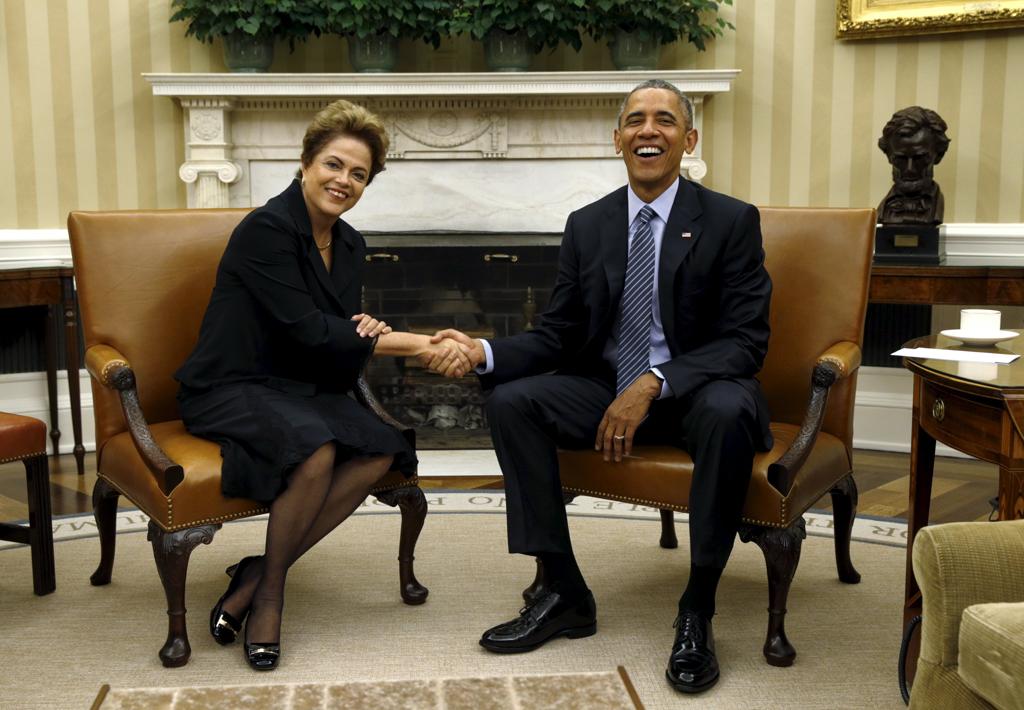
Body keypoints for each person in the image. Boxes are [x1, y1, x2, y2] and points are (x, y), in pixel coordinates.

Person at [431, 79, 773, 694]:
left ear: (688, 139)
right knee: (514, 401)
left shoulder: (729, 221)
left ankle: (697, 607)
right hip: (607, 389)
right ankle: (563, 590)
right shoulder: (588, 225)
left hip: (700, 390)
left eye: (664, 120)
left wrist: (654, 381)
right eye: (635, 120)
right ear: (617, 140)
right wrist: (482, 350)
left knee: (726, 409)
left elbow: (744, 342)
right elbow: (558, 333)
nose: (649, 130)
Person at [175, 99, 470, 671]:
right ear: (306, 162)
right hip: (230, 384)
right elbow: (309, 331)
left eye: (359, 174)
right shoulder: (266, 230)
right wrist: (415, 342)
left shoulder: (350, 243)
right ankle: (269, 598)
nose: (345, 181)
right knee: (317, 450)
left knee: (379, 449)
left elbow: (331, 342)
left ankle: (261, 568)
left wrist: (360, 330)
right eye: (334, 165)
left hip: (297, 386)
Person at [877, 106, 951, 225]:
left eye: (920, 158)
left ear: (938, 156)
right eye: (901, 159)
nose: (910, 169)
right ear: (888, 156)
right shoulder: (884, 209)